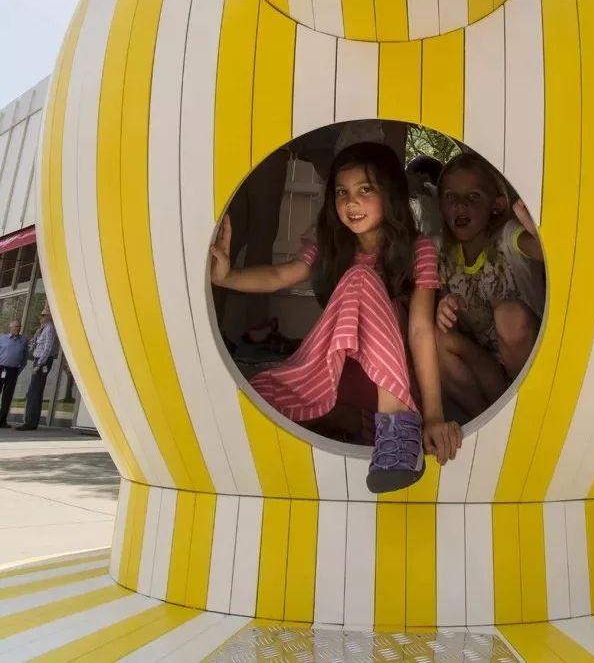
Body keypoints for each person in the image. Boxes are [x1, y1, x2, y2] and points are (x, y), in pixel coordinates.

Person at [211, 141, 462, 493]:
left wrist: (433, 416)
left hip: (392, 385)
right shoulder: (332, 244)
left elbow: (421, 331)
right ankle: (360, 422)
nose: (351, 202)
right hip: (335, 374)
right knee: (255, 399)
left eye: (365, 190)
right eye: (342, 192)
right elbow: (280, 275)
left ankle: (397, 424)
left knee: (361, 279)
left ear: (390, 194)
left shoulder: (417, 248)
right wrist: (226, 278)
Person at [435, 153, 545, 420]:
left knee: (508, 315)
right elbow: (446, 319)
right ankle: (486, 423)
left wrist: (538, 232)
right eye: (451, 197)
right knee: (436, 336)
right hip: (488, 371)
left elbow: (543, 252)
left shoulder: (507, 236)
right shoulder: (442, 252)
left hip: (532, 363)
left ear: (496, 204)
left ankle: (526, 410)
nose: (460, 205)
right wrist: (444, 306)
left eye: (473, 196)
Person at [15, 309, 58, 431]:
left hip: (42, 361)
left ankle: (30, 422)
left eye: (43, 315)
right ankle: (31, 421)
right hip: (38, 359)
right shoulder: (43, 328)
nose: (41, 317)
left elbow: (48, 347)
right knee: (34, 391)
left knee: (33, 392)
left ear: (49, 317)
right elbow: (35, 343)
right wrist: (35, 335)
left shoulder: (50, 328)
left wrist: (39, 364)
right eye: (41, 315)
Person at [406, 154, 443, 237]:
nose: (405, 178)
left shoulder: (422, 204)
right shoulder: (441, 202)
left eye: (408, 173)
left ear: (424, 179)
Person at [0, 319, 29, 427]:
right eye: (16, 326)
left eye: (19, 327)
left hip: (13, 371)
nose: (18, 329)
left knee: (7, 396)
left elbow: (25, 358)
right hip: (1, 368)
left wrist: (18, 370)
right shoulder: (2, 338)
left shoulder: (24, 340)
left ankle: (2, 421)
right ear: (11, 327)